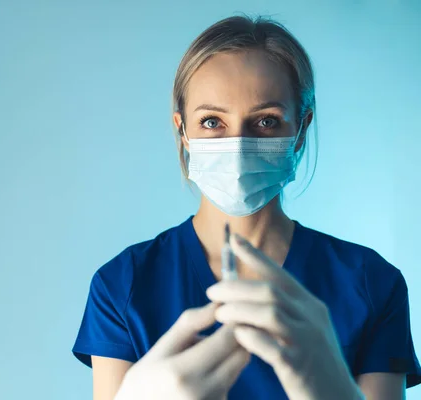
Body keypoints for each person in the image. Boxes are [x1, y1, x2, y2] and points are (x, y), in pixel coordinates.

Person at [72, 15, 421, 400]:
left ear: (301, 131)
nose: (237, 144)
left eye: (266, 121)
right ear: (183, 132)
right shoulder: (122, 285)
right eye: (211, 122)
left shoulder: (371, 283)